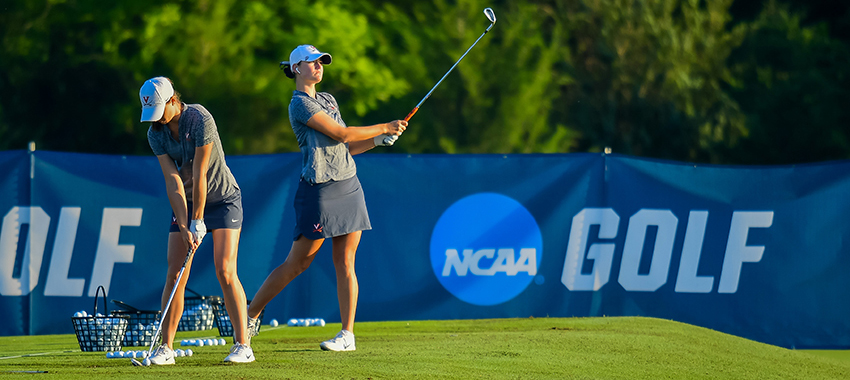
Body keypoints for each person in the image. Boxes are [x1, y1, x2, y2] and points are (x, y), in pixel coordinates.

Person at [244, 45, 407, 351]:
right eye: (312, 62)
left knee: (346, 262)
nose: (319, 66)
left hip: (348, 185)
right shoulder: (300, 105)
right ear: (296, 69)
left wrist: (377, 140)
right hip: (318, 190)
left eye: (321, 62)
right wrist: (384, 125)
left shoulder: (328, 100)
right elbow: (342, 134)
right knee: (297, 263)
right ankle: (250, 313)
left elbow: (346, 148)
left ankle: (347, 335)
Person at [139, 76, 254, 364]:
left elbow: (201, 172)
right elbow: (173, 181)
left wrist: (198, 220)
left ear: (173, 101)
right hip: (187, 202)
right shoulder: (156, 133)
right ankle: (166, 348)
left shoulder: (199, 118)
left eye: (159, 109)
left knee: (225, 270)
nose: (157, 119)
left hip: (223, 198)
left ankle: (243, 345)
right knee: (175, 274)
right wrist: (183, 223)